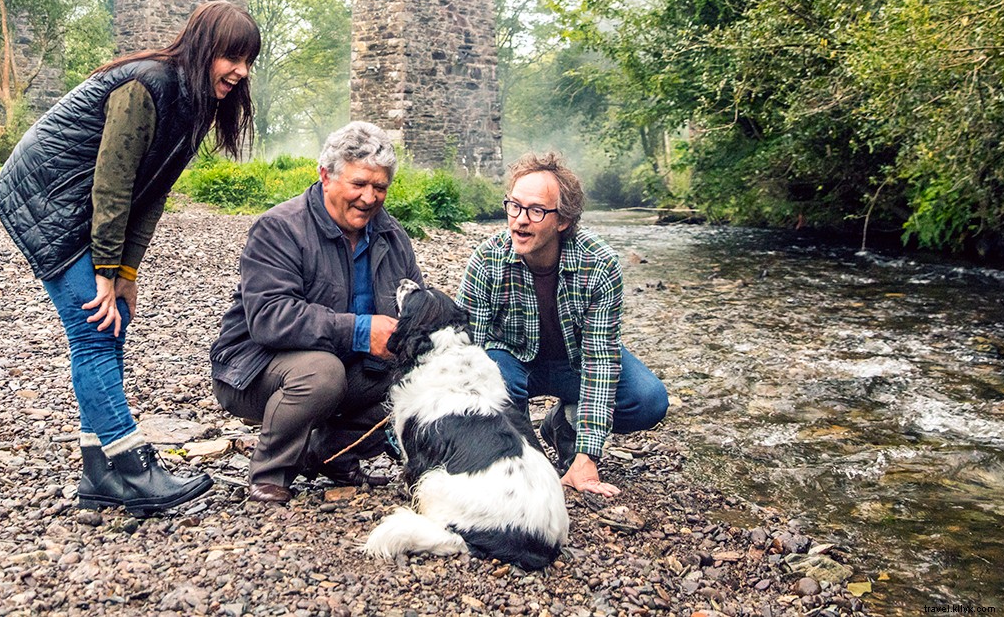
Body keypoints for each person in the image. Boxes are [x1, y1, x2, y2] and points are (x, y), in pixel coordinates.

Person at [0, 0, 259, 516]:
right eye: (233, 57)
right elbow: (111, 186)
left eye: (249, 61)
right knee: (93, 330)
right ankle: (132, 467)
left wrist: (126, 272)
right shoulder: (147, 85)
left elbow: (151, 191)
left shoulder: (194, 101)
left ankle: (99, 471)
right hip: (51, 201)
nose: (242, 71)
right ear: (205, 48)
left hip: (83, 209)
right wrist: (105, 273)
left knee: (112, 324)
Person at [211, 121, 423, 504]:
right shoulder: (279, 228)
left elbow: (416, 306)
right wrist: (361, 331)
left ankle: (330, 455)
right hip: (255, 368)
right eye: (358, 184)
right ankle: (271, 473)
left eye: (380, 188)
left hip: (350, 368)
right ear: (325, 175)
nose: (370, 198)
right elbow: (270, 318)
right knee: (322, 373)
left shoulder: (393, 236)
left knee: (418, 379)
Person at [459, 151, 669, 497]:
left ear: (563, 221)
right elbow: (468, 351)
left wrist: (588, 457)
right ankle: (519, 453)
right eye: (514, 206)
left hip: (577, 364)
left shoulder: (600, 264)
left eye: (536, 211)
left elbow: (600, 361)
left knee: (648, 400)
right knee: (494, 375)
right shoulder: (486, 260)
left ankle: (566, 423)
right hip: (513, 364)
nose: (520, 220)